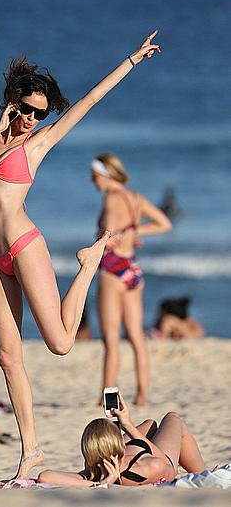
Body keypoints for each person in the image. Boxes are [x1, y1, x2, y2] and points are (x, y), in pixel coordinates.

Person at [0, 31, 161, 478]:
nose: (31, 119)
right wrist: (0, 125)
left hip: (24, 246)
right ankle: (30, 452)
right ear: (12, 102)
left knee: (61, 344)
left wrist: (131, 61)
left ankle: (88, 264)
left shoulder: (37, 144)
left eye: (38, 114)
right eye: (25, 110)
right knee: (8, 357)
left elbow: (88, 102)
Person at [91, 153, 172, 406]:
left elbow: (109, 236)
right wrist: (136, 230)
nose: (93, 182)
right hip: (132, 267)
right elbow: (164, 224)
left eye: (94, 177)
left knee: (111, 339)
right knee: (137, 336)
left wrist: (103, 241)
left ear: (106, 174)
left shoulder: (111, 200)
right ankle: (142, 395)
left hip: (113, 268)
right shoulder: (135, 198)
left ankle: (106, 397)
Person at [38, 392, 205, 487]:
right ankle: (202, 474)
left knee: (150, 424)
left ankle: (126, 426)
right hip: (136, 460)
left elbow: (45, 476)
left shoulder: (91, 474)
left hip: (116, 458)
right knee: (173, 418)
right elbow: (169, 468)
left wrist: (99, 484)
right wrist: (129, 427)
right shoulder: (147, 468)